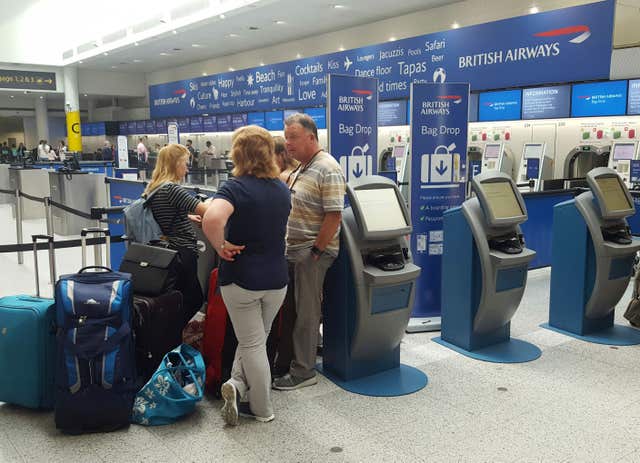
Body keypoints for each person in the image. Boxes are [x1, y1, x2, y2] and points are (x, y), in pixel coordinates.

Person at [202, 126, 291, 425]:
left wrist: (220, 245)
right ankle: (237, 385)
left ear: (238, 152)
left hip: (242, 279)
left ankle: (262, 408)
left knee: (252, 343)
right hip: (277, 279)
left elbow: (214, 218)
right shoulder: (281, 187)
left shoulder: (235, 187)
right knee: (255, 338)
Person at [272, 113, 345, 391]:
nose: (287, 143)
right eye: (286, 137)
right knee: (290, 311)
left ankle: (304, 371)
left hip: (312, 252)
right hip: (295, 250)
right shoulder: (304, 167)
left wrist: (315, 251)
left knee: (307, 312)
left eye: (293, 137)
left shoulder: (327, 167)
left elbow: (334, 215)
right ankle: (286, 363)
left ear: (311, 137)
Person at [143, 144, 208, 321]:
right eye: (185, 163)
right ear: (176, 163)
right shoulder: (173, 189)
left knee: (175, 299)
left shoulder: (155, 187)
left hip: (167, 251)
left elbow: (164, 214)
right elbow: (206, 210)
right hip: (183, 252)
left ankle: (169, 335)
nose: (187, 169)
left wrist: (187, 217)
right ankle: (172, 335)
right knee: (194, 299)